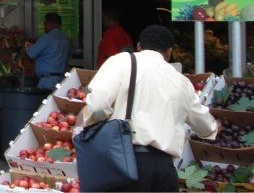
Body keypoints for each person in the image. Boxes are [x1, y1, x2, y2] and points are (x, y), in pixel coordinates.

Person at [83, 25, 217, 192]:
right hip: (163, 168)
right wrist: (214, 127)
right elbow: (204, 125)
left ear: (139, 46)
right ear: (169, 52)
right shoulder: (181, 81)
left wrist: (96, 128)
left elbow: (97, 106)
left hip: (123, 160)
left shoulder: (121, 62)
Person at [25, 13, 71, 90]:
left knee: (45, 101)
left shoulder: (46, 38)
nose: (44, 27)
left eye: (45, 24)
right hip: (61, 80)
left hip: (47, 81)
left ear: (50, 23)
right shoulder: (65, 39)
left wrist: (28, 46)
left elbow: (31, 53)